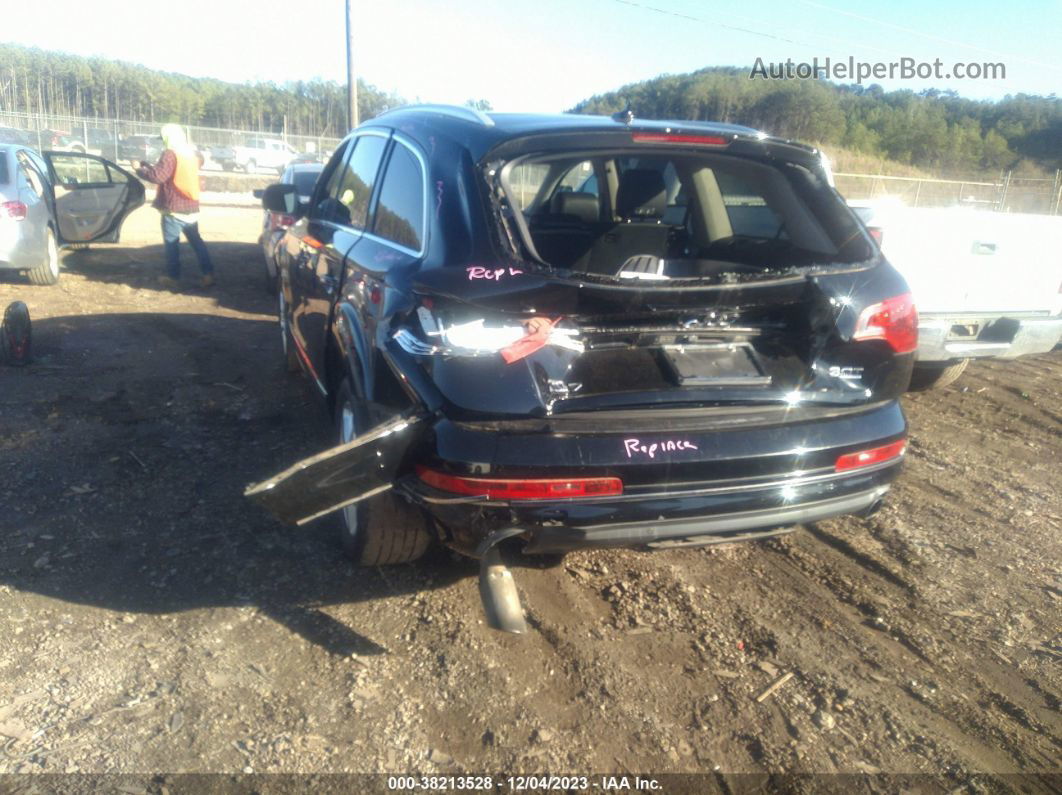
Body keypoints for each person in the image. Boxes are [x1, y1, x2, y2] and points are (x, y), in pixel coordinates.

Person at [134, 124, 214, 289]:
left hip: (173, 208)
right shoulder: (191, 154)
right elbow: (169, 173)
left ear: (168, 138)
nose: (163, 142)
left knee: (171, 245)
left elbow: (159, 177)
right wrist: (149, 167)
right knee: (197, 242)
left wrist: (138, 170)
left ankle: (173, 276)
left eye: (163, 138)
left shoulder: (170, 154)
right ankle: (208, 273)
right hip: (190, 205)